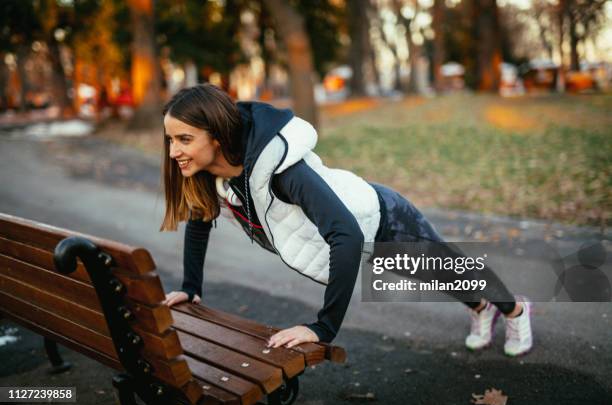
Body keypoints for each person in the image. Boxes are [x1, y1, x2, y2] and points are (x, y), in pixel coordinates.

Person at [160, 84, 533, 356]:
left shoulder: (282, 170)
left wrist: (322, 328)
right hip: (347, 234)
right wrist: (192, 286)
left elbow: (346, 234)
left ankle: (514, 309)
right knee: (433, 276)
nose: (174, 151)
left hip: (382, 218)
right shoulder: (212, 174)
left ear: (217, 136)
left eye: (184, 139)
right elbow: (199, 219)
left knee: (449, 268)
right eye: (171, 140)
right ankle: (480, 308)